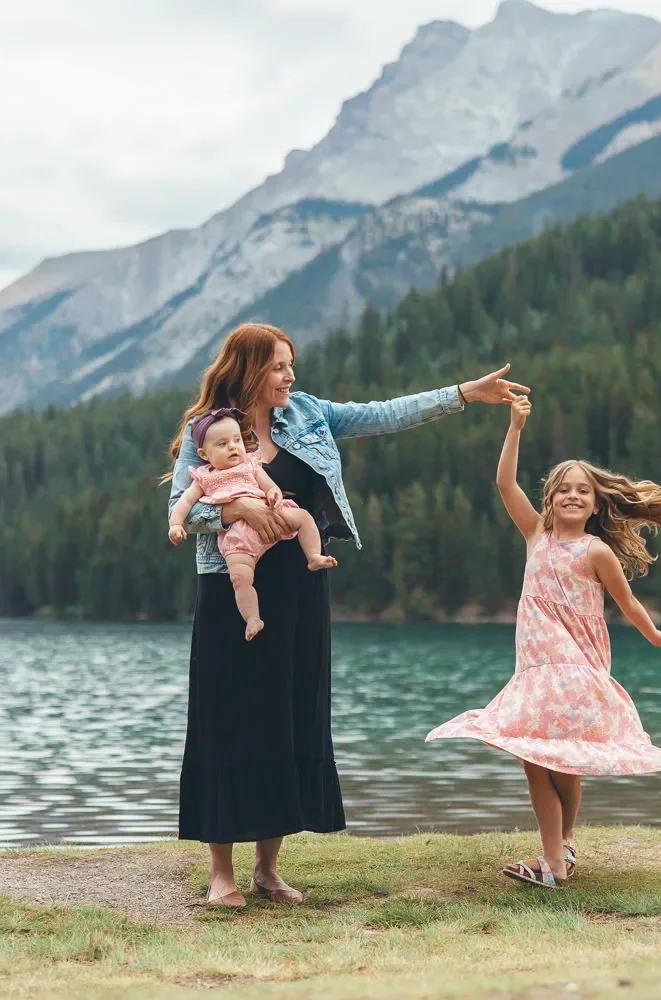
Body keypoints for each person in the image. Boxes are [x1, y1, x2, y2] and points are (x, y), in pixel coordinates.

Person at [167, 322, 527, 908]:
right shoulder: (205, 430)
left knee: (287, 716)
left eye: (291, 365)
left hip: (301, 586)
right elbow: (178, 508)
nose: (291, 376)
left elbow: (384, 414)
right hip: (234, 589)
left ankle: (267, 870)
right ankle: (221, 874)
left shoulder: (309, 414)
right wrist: (236, 508)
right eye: (280, 366)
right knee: (227, 718)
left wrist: (464, 393)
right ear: (252, 367)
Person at [425, 393, 661, 889]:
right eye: (564, 490)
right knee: (559, 765)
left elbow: (628, 604)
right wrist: (515, 427)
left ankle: (552, 865)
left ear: (596, 505)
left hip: (572, 670)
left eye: (583, 492)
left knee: (537, 763)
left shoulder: (596, 552)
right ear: (549, 499)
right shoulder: (535, 536)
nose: (573, 496)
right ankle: (562, 851)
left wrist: (653, 634)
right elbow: (505, 483)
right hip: (534, 670)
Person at [168, 407, 337, 640]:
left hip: (270, 517)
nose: (232, 447)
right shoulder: (204, 477)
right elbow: (184, 503)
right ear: (204, 454)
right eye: (222, 444)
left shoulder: (250, 465)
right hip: (239, 539)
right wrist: (176, 525)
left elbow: (270, 486)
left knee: (304, 518)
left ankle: (314, 556)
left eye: (237, 440)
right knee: (240, 578)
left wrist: (274, 495)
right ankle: (252, 618)